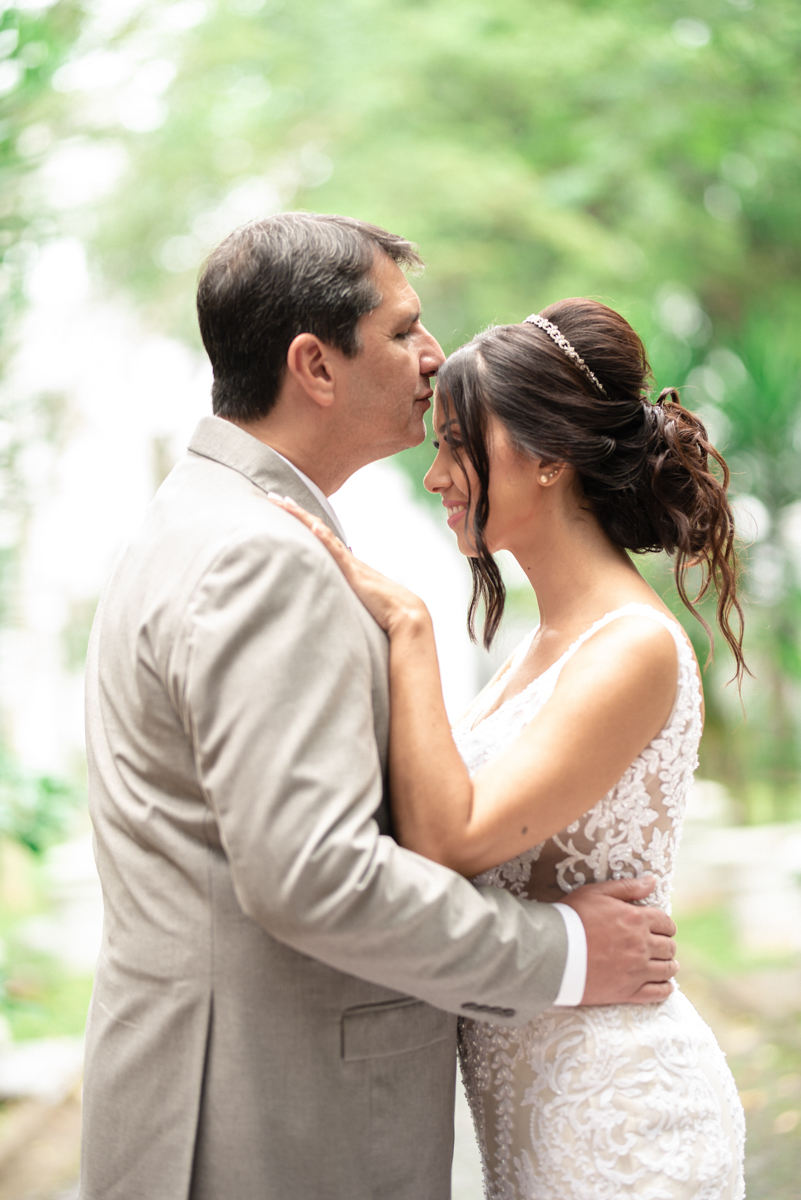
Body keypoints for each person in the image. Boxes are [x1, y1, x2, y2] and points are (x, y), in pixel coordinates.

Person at [80, 216, 678, 1200]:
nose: (434, 355)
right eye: (404, 332)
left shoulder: (203, 521)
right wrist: (564, 951)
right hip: (267, 1128)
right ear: (314, 365)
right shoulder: (261, 557)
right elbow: (313, 873)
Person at [274, 297, 746, 1200]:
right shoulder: (539, 649)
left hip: (623, 1125)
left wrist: (408, 627)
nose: (435, 477)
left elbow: (451, 839)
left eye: (457, 445)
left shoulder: (631, 647)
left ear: (546, 458)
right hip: (535, 1120)